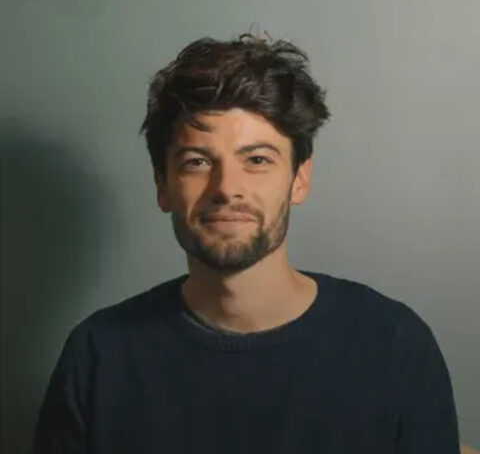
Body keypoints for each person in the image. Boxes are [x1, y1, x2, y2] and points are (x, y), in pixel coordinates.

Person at [33, 32, 461, 453]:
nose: (226, 188)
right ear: (162, 186)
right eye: (197, 162)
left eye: (257, 160)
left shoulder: (394, 345)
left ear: (299, 178)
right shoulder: (98, 356)